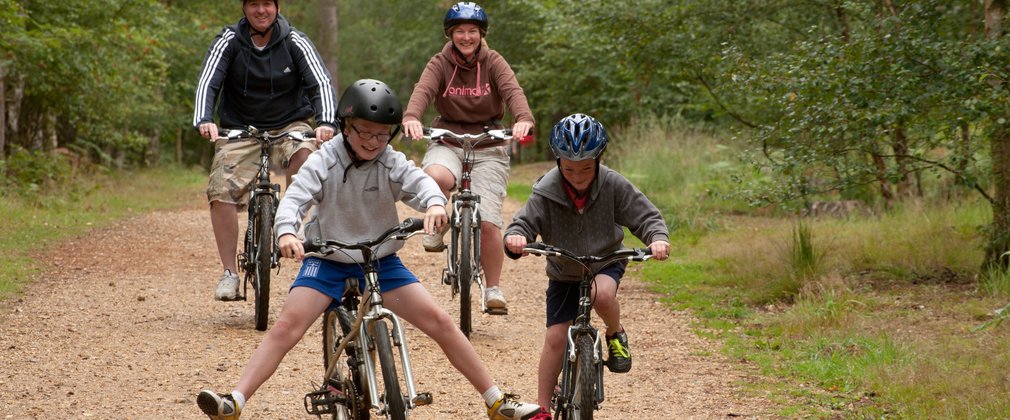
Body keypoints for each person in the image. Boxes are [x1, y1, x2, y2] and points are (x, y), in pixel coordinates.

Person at [196, 79, 541, 420]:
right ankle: (235, 401)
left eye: (382, 134)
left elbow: (419, 181)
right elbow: (296, 198)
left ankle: (496, 401)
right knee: (287, 326)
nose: (374, 142)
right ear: (346, 127)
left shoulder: (389, 159)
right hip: (328, 259)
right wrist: (287, 232)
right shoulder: (324, 159)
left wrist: (435, 203)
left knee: (440, 321)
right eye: (365, 132)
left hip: (380, 260)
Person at [502, 114, 671, 419]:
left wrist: (657, 238)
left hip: (604, 261)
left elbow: (646, 216)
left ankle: (615, 333)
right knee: (555, 338)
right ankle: (542, 408)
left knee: (602, 295)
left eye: (585, 169)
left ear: (599, 159)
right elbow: (524, 222)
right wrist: (516, 237)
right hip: (564, 269)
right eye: (569, 169)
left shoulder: (612, 183)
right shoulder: (546, 190)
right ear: (557, 162)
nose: (578, 176)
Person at [193, 0, 337, 301]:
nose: (261, 11)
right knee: (220, 190)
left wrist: (326, 121)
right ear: (244, 8)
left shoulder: (295, 41)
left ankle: (289, 226)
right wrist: (204, 119)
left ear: (278, 7)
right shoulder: (229, 40)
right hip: (241, 129)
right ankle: (230, 273)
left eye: (267, 4)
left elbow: (320, 82)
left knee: (305, 155)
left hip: (289, 125)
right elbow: (209, 83)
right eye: (254, 4)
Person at [402, 1, 534, 312]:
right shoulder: (439, 62)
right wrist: (411, 116)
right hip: (447, 138)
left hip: (489, 142)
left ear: (481, 34)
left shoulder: (494, 62)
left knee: (488, 220)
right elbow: (423, 90)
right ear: (450, 34)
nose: (466, 37)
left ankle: (493, 290)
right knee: (437, 177)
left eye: (472, 31)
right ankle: (441, 219)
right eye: (459, 31)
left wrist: (523, 118)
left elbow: (513, 91)